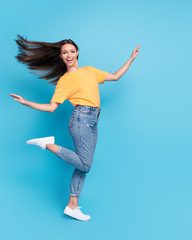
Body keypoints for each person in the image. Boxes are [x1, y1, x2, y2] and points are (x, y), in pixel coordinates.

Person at [9, 35, 140, 221]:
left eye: (71, 51)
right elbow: (52, 108)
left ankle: (72, 205)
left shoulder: (90, 71)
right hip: (80, 119)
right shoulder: (64, 80)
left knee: (83, 165)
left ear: (77, 52)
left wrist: (131, 58)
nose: (69, 55)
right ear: (61, 57)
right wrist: (26, 102)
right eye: (64, 53)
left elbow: (116, 76)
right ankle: (48, 145)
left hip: (93, 120)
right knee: (85, 164)